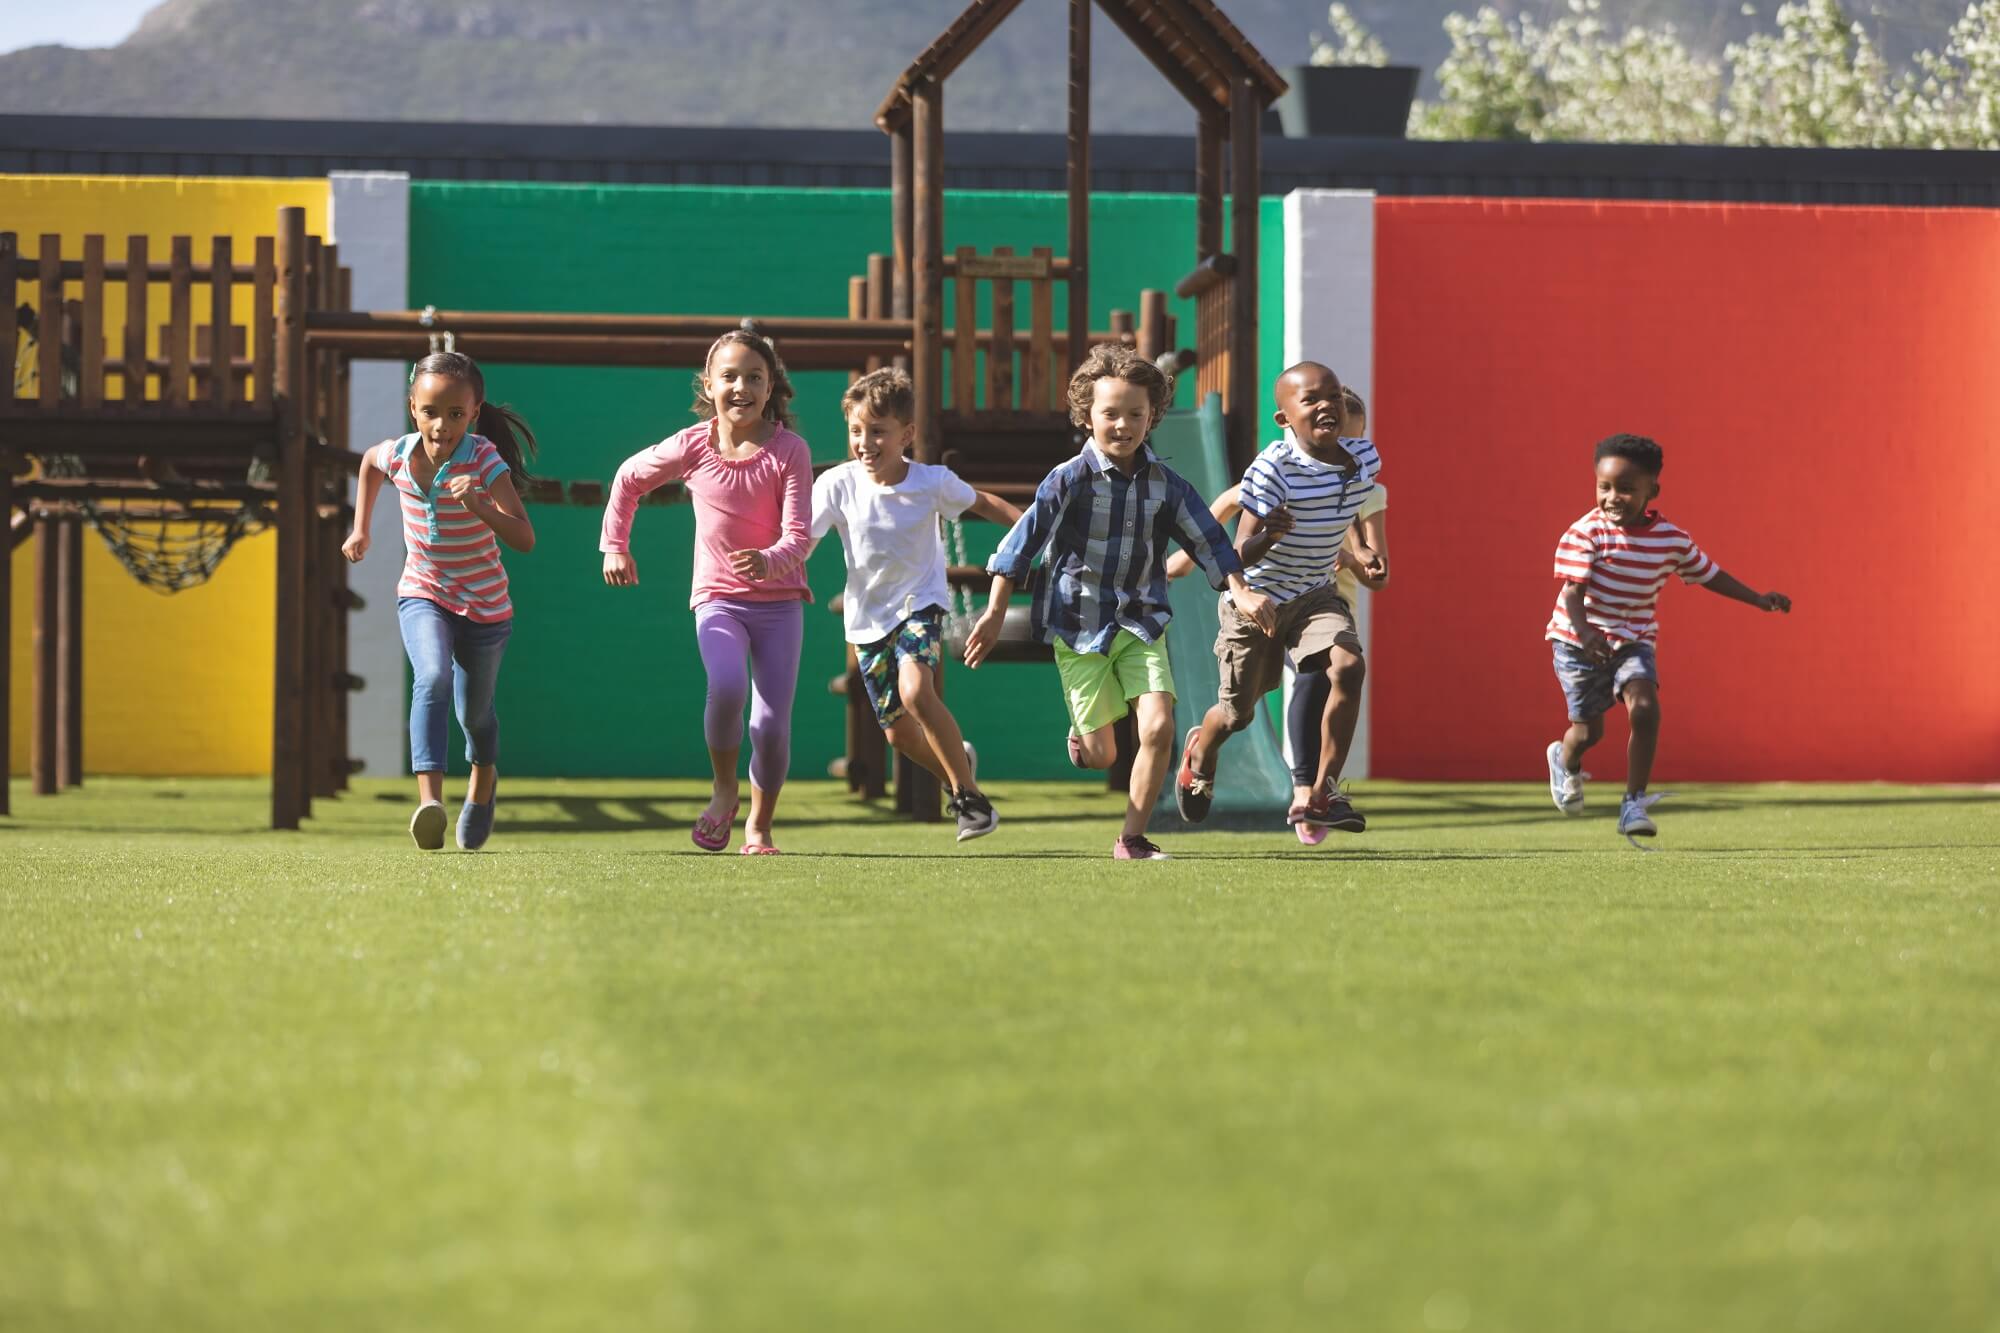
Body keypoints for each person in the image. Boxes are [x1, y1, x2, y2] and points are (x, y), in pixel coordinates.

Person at [964, 342, 1275, 862]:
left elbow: (1208, 540)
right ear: (1087, 415)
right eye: (1111, 413)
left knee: (1158, 726)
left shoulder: (1167, 486)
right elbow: (1021, 544)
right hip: (1078, 624)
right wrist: (995, 612)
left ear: (1152, 417)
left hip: (1141, 621)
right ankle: (1083, 738)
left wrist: (1240, 590)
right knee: (1101, 754)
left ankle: (1132, 838)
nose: (1123, 425)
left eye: (1136, 414)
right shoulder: (1067, 480)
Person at [601, 331, 813, 855]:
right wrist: (615, 546)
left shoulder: (790, 451)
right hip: (719, 599)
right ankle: (724, 788)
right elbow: (628, 478)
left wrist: (768, 561)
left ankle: (760, 826)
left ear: (770, 389)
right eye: (730, 377)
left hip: (780, 604)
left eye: (754, 378)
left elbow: (798, 536)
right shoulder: (692, 445)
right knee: (726, 686)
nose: (742, 387)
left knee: (770, 726)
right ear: (709, 385)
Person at [1164, 386, 1387, 845]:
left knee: (1335, 671)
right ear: (1293, 425)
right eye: (1339, 436)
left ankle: (1314, 793)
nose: (1345, 446)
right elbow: (1229, 509)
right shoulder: (1275, 470)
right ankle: (1202, 751)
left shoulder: (1361, 475)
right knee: (1237, 714)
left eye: (1353, 438)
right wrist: (1186, 560)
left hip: (1318, 601)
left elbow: (1361, 537)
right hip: (1261, 599)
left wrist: (1360, 556)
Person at [1546, 433, 1791, 839]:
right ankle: (1565, 760)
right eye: (1604, 487)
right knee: (1588, 732)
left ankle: (1633, 803)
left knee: (1645, 708)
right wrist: (1586, 633)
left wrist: (1757, 599)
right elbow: (1573, 593)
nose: (1612, 498)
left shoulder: (1671, 540)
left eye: (1626, 489)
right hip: (1578, 643)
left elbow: (1709, 574)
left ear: (1652, 491)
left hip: (1633, 640)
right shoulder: (1585, 533)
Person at [811, 368, 1021, 841]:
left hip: (919, 604)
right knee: (899, 735)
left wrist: (1029, 529)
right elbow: (800, 542)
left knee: (915, 692)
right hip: (867, 619)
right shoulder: (837, 485)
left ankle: (969, 801)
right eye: (856, 430)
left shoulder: (931, 482)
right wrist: (772, 563)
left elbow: (983, 503)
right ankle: (961, 772)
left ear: (906, 435)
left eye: (877, 431)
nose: (865, 442)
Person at [343, 350, 537, 851]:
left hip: (486, 607)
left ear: (474, 413)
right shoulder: (399, 454)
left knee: (474, 714)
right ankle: (430, 802)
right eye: (430, 412)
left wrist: (480, 504)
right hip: (424, 592)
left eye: (455, 414)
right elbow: (368, 463)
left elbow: (524, 538)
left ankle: (483, 778)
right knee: (431, 677)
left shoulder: (484, 460)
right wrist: (361, 528)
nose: (441, 426)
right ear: (413, 408)